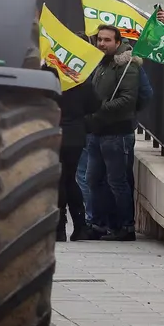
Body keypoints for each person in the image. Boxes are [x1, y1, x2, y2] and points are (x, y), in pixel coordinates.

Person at [74, 24, 140, 241]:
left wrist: (99, 108)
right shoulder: (100, 63)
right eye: (100, 39)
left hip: (116, 133)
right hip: (96, 132)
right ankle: (99, 224)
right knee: (93, 179)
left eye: (107, 40)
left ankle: (125, 227)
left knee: (117, 182)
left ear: (118, 42)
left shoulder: (127, 66)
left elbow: (128, 100)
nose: (102, 43)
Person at [58, 51, 103, 241]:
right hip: (76, 136)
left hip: (55, 133)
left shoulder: (50, 78)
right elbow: (95, 105)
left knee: (59, 180)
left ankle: (59, 228)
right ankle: (80, 225)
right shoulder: (81, 80)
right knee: (69, 179)